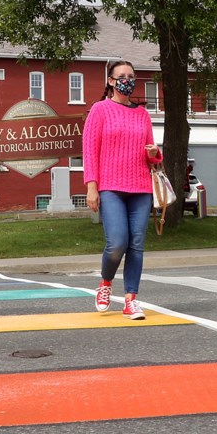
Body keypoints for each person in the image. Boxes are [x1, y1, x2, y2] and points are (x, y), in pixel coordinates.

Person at [82, 60, 162, 320]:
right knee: (117, 243)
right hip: (110, 187)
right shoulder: (100, 110)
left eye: (131, 75)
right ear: (111, 81)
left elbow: (153, 156)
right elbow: (90, 151)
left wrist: (155, 153)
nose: (127, 79)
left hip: (140, 187)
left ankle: (130, 300)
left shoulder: (143, 114)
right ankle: (105, 283)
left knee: (136, 245)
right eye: (122, 76)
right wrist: (91, 187)